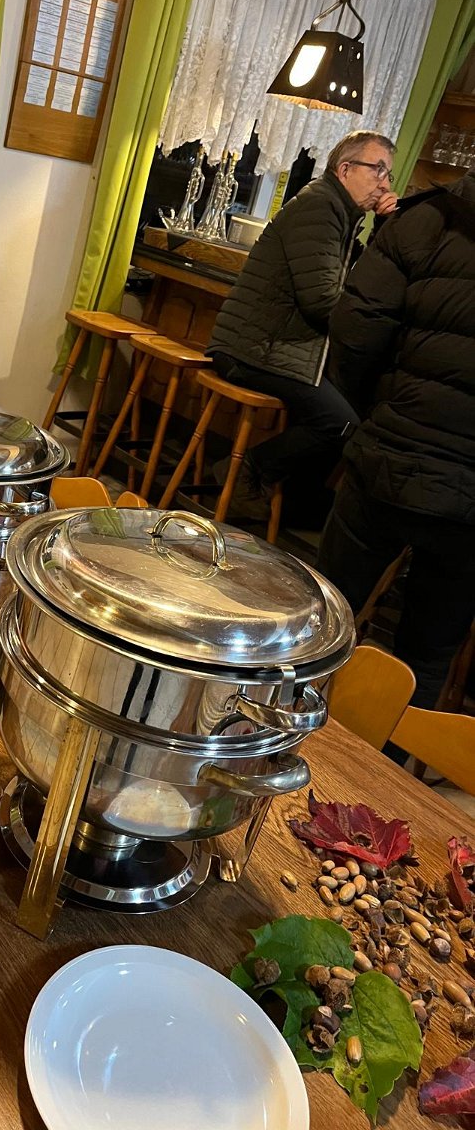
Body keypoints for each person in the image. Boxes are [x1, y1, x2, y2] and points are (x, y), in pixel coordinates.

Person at [318, 167, 475, 710]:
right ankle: (384, 764)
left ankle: (273, 743)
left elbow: (356, 329)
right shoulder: (425, 218)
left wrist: (379, 412)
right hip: (468, 501)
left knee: (322, 620)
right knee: (426, 660)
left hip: (389, 454)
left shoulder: (425, 219)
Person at [205, 131, 399, 515]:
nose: (384, 183)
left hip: (272, 349)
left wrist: (382, 228)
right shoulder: (321, 208)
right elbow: (322, 301)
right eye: (377, 170)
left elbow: (361, 281)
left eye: (388, 174)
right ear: (345, 169)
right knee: (343, 423)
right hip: (253, 350)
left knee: (352, 403)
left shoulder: (341, 215)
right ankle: (244, 471)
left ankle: (296, 500)